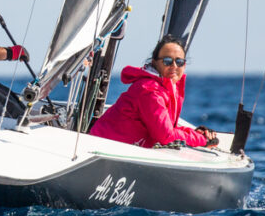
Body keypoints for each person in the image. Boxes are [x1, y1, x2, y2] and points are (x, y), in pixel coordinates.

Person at [89, 35, 217, 148]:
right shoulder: (150, 90)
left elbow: (166, 127)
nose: (174, 66)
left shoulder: (163, 87)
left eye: (179, 61)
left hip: (115, 147)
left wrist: (194, 133)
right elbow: (165, 135)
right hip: (101, 149)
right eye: (167, 61)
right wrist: (201, 140)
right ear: (155, 62)